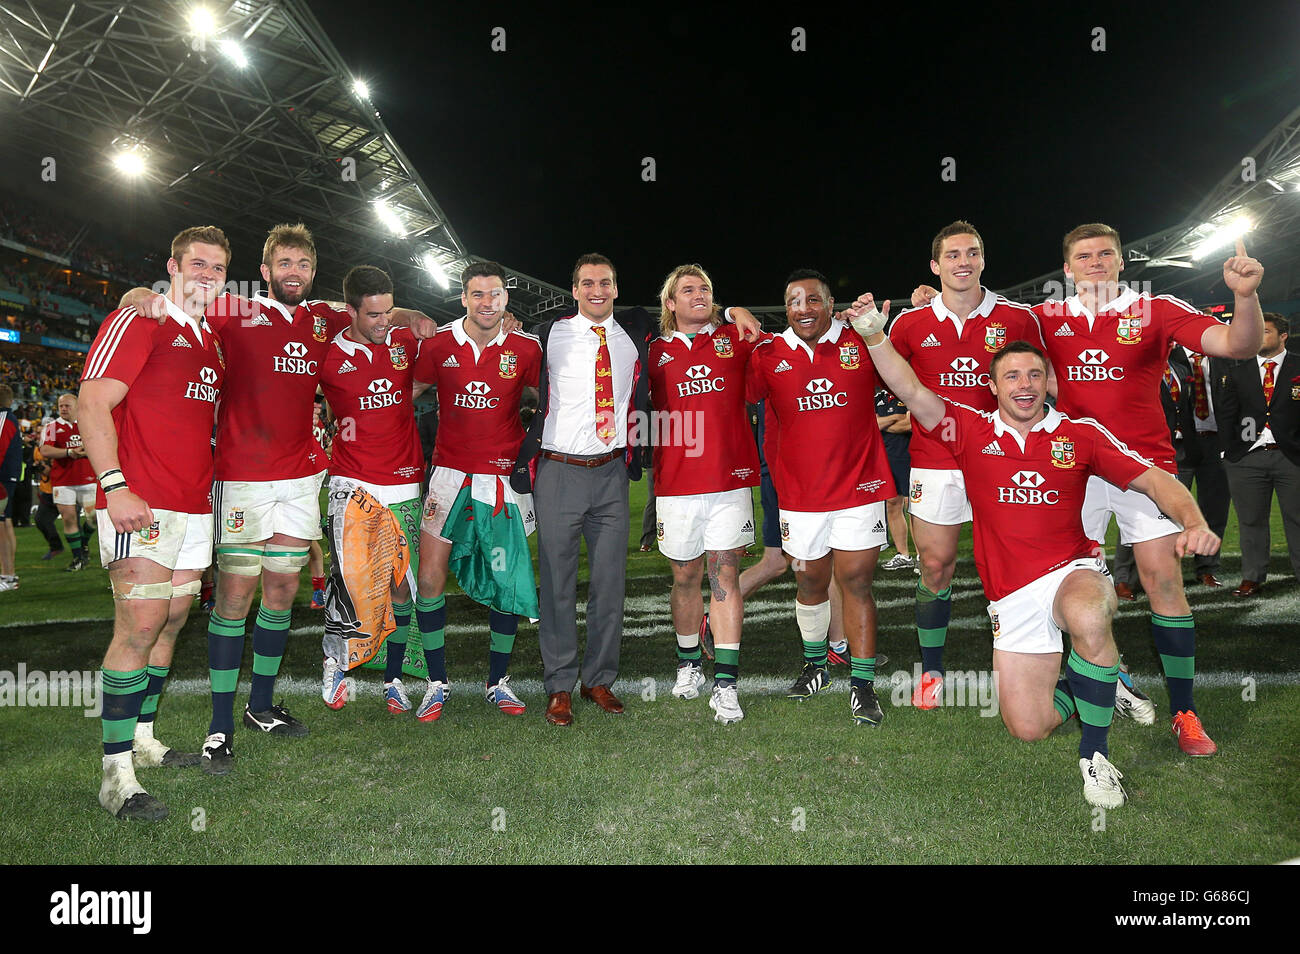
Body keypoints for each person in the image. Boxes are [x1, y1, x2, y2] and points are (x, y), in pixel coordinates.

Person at [856, 322, 1220, 806]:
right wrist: (874, 335)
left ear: (1049, 381)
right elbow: (910, 389)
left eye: (1034, 374)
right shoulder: (967, 430)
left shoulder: (1081, 435)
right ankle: (1096, 686)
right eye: (1011, 376)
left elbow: (1154, 481)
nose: (1024, 385)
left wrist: (1193, 520)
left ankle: (1095, 757)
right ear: (992, 386)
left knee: (1090, 615)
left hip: (1073, 571)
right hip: (1011, 596)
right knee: (1028, 727)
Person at [1032, 226, 1262, 756]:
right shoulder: (1044, 319)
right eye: (1083, 256)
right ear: (1066, 268)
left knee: (1163, 580)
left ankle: (1185, 713)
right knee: (1072, 589)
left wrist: (1244, 297)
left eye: (1104, 254)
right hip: (1071, 471)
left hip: (1146, 468)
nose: (1094, 263)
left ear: (1120, 261)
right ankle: (1109, 679)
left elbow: (1237, 343)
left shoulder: (1154, 310)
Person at [510, 254, 759, 726]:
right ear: (575, 289)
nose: (597, 290)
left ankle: (599, 679)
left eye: (605, 282)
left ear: (617, 289)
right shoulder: (548, 334)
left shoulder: (637, 335)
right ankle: (559, 685)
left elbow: (695, 317)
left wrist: (731, 311)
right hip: (559, 470)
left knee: (610, 584)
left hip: (610, 474)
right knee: (557, 586)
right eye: (587, 283)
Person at [79, 226, 229, 820]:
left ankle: (143, 737)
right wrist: (115, 487)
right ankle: (115, 774)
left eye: (217, 268)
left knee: (170, 621)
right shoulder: (142, 319)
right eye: (197, 264)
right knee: (138, 626)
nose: (207, 275)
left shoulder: (210, 338)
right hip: (138, 500)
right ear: (173, 265)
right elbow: (92, 401)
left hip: (194, 506)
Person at [891, 222, 1045, 710]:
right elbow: (890, 376)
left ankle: (1029, 662)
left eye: (972, 253)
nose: (963, 262)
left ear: (983, 260)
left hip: (1005, 457)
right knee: (935, 566)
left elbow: (1048, 382)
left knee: (1018, 564)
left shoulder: (1018, 318)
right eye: (952, 255)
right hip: (936, 459)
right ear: (936, 267)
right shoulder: (910, 324)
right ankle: (931, 672)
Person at [746, 270, 895, 725]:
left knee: (857, 584)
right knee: (810, 582)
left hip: (858, 487)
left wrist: (880, 331)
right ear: (785, 308)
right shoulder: (767, 354)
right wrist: (733, 311)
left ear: (832, 304)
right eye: (794, 301)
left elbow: (899, 374)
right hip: (799, 494)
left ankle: (863, 686)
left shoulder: (860, 343)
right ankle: (816, 663)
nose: (803, 308)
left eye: (814, 300)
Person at [413, 261, 541, 721]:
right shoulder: (439, 344)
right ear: (463, 299)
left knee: (506, 583)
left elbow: (555, 402)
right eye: (478, 295)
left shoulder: (526, 349)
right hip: (447, 478)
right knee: (429, 579)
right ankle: (436, 681)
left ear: (506, 298)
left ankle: (497, 682)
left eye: (495, 295)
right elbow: (403, 393)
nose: (488, 303)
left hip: (502, 483)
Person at [317, 265, 432, 713]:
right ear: (350, 312)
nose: (385, 322)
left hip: (404, 480)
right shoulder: (325, 352)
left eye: (389, 311)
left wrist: (413, 315)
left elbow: (440, 361)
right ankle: (336, 662)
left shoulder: (405, 341)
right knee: (350, 583)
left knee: (403, 586)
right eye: (374, 315)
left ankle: (394, 677)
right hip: (352, 480)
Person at [649, 264, 760, 724]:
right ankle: (689, 663)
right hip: (675, 484)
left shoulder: (735, 338)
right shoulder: (652, 352)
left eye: (706, 289)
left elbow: (780, 345)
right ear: (670, 304)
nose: (699, 294)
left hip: (728, 481)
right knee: (686, 577)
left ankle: (727, 685)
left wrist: (738, 312)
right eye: (687, 290)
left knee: (725, 576)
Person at [1221, 313, 1300, 595]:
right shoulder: (1238, 370)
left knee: (1298, 519)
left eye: (1265, 331)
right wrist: (1230, 452)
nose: (1259, 336)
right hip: (1247, 458)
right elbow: (1227, 413)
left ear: (1283, 336)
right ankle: (1252, 576)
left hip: (1292, 457)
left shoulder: (1298, 365)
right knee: (1250, 520)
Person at [39, 392, 97, 571]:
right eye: (60, 406)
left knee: (93, 520)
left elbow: (101, 444)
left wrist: (86, 452)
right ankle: (78, 558)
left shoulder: (89, 424)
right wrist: (69, 453)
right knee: (69, 519)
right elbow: (45, 450)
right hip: (63, 481)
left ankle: (83, 545)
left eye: (67, 406)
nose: (63, 409)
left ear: (77, 407)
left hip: (88, 479)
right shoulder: (51, 427)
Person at [876, 384, 914, 570]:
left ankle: (922, 556)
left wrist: (885, 423)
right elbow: (871, 424)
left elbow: (910, 424)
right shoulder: (877, 398)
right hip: (886, 459)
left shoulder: (909, 393)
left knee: (913, 508)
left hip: (909, 457)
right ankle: (903, 555)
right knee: (892, 504)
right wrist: (895, 418)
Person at [0, 383, 18, 592]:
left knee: (1, 527)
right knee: (5, 524)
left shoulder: (4, 419)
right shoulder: (8, 418)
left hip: (2, 479)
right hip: (7, 478)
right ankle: (8, 575)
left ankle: (8, 576)